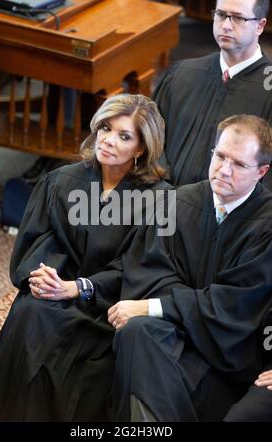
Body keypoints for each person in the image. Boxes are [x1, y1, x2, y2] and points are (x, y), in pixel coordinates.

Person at [0, 93, 170, 422]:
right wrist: (47, 278)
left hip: (108, 305)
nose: (108, 140)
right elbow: (37, 240)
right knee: (30, 312)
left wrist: (80, 288)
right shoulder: (61, 181)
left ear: (141, 148)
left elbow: (141, 268)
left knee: (67, 341)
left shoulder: (159, 200)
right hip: (56, 287)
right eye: (105, 128)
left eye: (124, 136)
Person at [107, 114, 272, 421]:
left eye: (238, 164)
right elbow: (148, 271)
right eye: (220, 156)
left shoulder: (267, 227)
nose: (223, 170)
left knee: (144, 338)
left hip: (224, 355)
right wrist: (184, 310)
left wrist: (161, 306)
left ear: (261, 172)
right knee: (136, 332)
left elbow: (236, 305)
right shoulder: (178, 202)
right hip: (174, 334)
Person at [154, 0, 272, 190]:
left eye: (238, 18)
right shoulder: (182, 73)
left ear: (260, 25)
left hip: (233, 215)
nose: (225, 25)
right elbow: (151, 138)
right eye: (221, 15)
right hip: (164, 206)